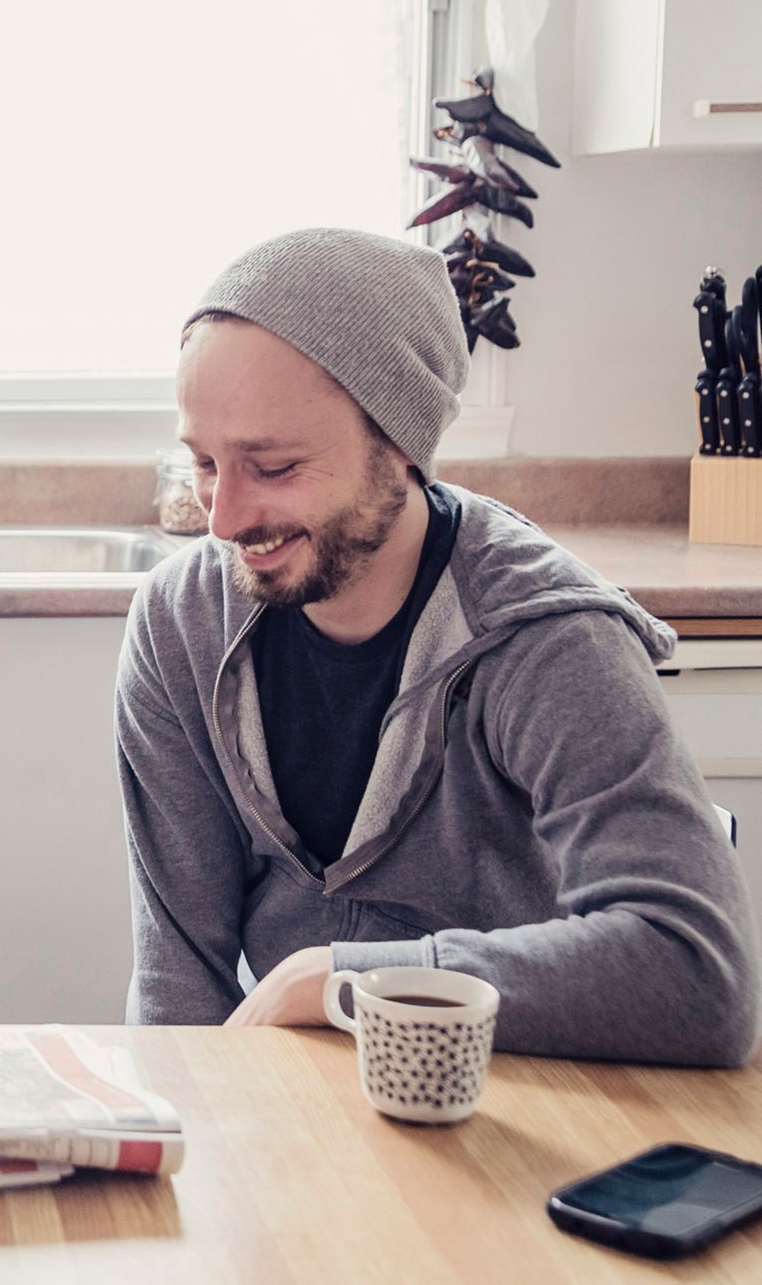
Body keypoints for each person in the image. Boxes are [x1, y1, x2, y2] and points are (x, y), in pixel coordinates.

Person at [117, 226, 758, 1066]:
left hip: (510, 1107)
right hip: (285, 1104)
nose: (223, 519)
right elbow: (178, 983)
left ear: (399, 446)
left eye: (271, 467)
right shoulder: (182, 622)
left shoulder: (546, 637)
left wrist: (347, 980)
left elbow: (699, 975)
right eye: (203, 461)